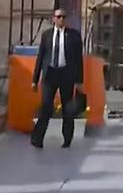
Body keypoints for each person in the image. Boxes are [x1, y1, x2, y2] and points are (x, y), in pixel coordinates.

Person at [31, 8, 85, 148]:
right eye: (59, 17)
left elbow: (78, 60)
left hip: (66, 75)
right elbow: (40, 57)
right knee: (46, 107)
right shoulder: (46, 35)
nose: (62, 19)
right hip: (50, 75)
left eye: (64, 17)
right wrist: (34, 80)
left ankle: (67, 139)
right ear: (53, 19)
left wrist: (79, 81)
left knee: (67, 108)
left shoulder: (73, 36)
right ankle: (37, 138)